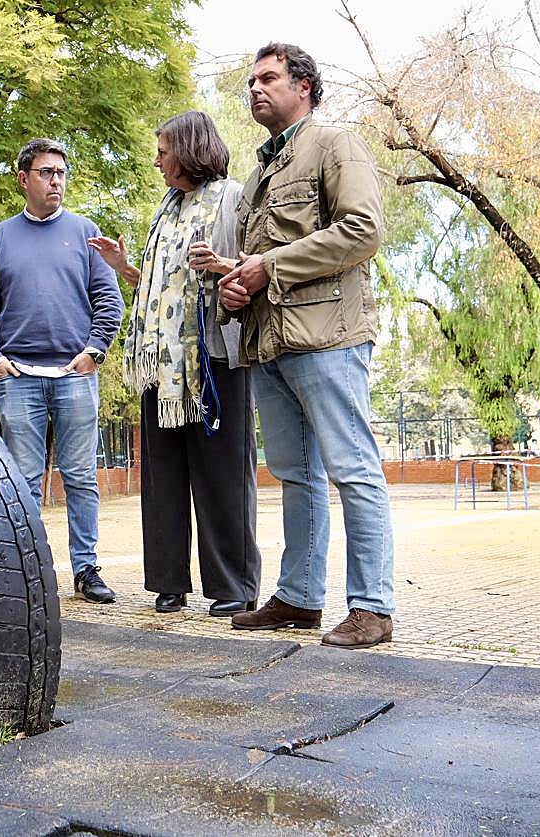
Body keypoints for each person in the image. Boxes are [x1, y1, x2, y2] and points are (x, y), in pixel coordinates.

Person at [217, 43, 394, 648]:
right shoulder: (256, 175)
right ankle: (299, 598)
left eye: (268, 78)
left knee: (352, 470)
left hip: (329, 339)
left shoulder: (335, 144)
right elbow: (255, 263)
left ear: (305, 86)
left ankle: (372, 608)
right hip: (270, 344)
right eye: (251, 82)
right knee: (295, 474)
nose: (256, 89)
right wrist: (236, 290)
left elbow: (363, 230)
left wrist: (269, 265)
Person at [89, 111, 261, 617]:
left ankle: (234, 586)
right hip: (161, 365)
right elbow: (165, 288)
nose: (157, 161)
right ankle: (169, 582)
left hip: (213, 358)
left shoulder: (232, 198)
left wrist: (224, 265)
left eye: (163, 151)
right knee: (162, 477)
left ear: (188, 150)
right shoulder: (166, 209)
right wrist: (125, 270)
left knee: (222, 475)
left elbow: (255, 266)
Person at [0, 138, 125, 604]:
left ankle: (86, 569)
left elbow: (108, 298)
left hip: (75, 376)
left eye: (60, 172)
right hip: (17, 377)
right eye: (45, 172)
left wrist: (95, 351)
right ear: (24, 179)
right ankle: (29, 571)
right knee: (22, 478)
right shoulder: (0, 237)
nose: (55, 180)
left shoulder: (84, 232)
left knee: (79, 475)